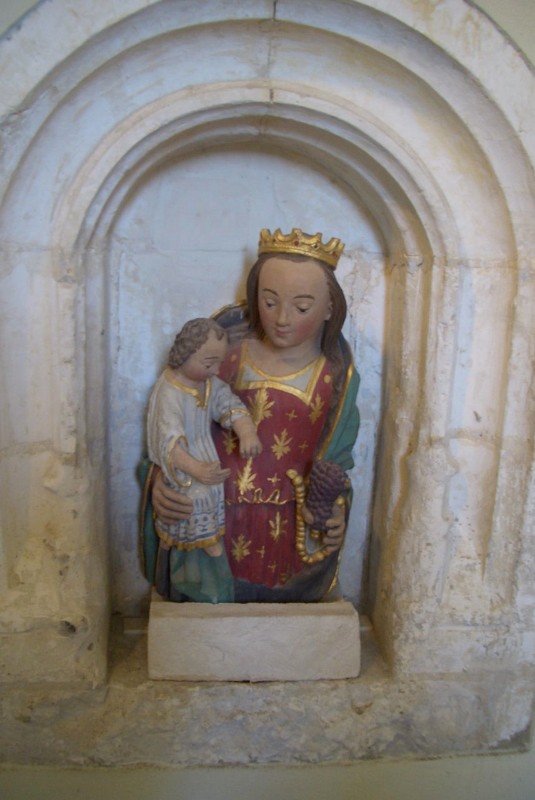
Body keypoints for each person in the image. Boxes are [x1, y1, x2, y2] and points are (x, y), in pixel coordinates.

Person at [140, 228, 360, 602]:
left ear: (329, 309)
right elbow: (172, 419)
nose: (282, 319)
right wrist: (163, 481)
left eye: (301, 308)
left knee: (277, 602)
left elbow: (336, 466)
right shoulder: (222, 356)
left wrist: (332, 509)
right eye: (269, 302)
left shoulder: (335, 378)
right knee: (207, 600)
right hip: (213, 511)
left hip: (285, 527)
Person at [147, 317, 261, 602]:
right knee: (192, 499)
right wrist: (196, 469)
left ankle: (208, 545)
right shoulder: (170, 391)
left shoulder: (208, 383)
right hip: (181, 467)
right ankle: (196, 563)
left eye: (218, 363)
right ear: (186, 354)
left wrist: (246, 431)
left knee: (209, 492)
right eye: (209, 363)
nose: (216, 371)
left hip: (204, 462)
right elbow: (169, 442)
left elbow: (229, 405)